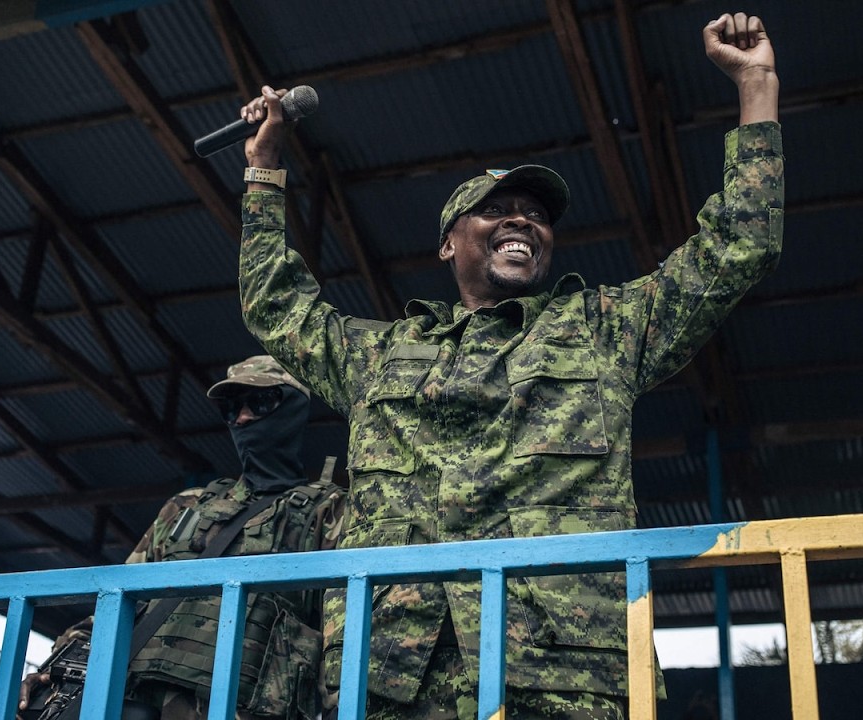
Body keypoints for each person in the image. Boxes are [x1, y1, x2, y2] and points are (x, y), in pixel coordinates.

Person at [235, 10, 781, 719]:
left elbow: (736, 249)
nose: (523, 220)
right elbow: (275, 304)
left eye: (536, 214)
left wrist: (757, 87)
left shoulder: (603, 333)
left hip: (562, 681)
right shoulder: (378, 358)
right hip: (395, 681)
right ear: (448, 245)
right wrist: (265, 168)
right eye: (497, 209)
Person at [14, 356, 347, 720]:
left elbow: (342, 634)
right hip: (138, 700)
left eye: (261, 402)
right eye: (232, 408)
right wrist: (58, 666)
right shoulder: (187, 507)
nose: (243, 418)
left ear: (295, 409)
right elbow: (118, 602)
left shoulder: (327, 512)